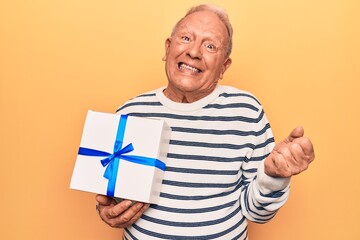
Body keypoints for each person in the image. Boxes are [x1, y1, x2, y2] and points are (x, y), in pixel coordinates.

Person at [95, 4, 315, 239]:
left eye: (210, 46)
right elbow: (112, 195)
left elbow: (257, 213)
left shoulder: (247, 112)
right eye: (186, 38)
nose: (194, 52)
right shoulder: (130, 113)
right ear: (168, 48)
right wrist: (107, 209)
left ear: (224, 67)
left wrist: (273, 177)